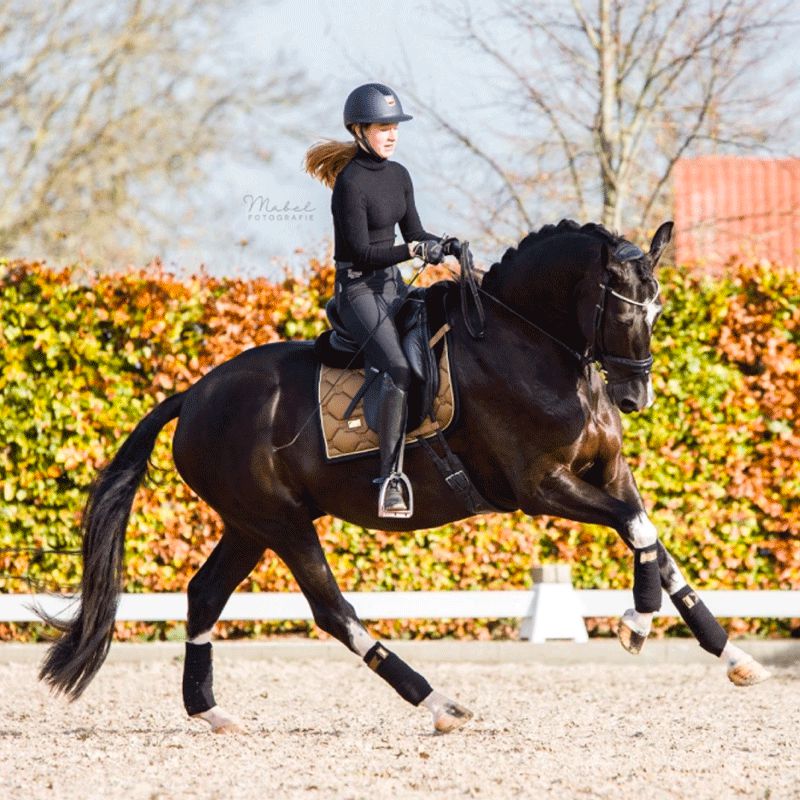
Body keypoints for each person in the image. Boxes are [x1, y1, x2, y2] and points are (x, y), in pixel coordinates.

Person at [305, 82, 459, 518]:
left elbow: (414, 234)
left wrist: (443, 244)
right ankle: (389, 477)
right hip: (357, 290)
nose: (391, 135)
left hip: (391, 285)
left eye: (395, 127)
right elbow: (363, 252)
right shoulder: (350, 184)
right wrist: (413, 252)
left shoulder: (399, 176)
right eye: (382, 127)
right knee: (396, 366)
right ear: (359, 131)